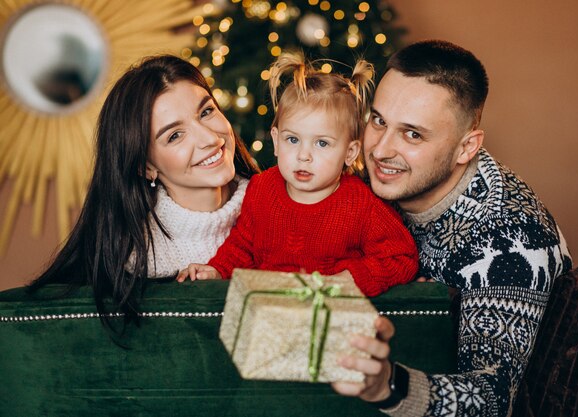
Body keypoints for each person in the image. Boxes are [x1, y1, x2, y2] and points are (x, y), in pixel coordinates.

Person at [332, 40, 573, 416]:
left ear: (466, 147)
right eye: (379, 121)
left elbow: (492, 397)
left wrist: (388, 386)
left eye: (413, 134)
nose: (379, 150)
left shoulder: (509, 242)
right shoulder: (377, 184)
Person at [28, 55, 259, 329]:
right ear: (145, 166)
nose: (210, 138)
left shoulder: (289, 208)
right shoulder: (122, 266)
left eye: (206, 111)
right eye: (175, 135)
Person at [177, 52, 418, 297]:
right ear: (276, 141)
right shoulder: (262, 188)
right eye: (292, 139)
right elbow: (242, 247)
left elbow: (402, 257)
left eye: (322, 144)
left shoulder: (361, 204)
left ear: (350, 152)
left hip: (328, 318)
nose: (304, 155)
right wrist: (217, 270)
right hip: (268, 312)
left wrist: (351, 278)